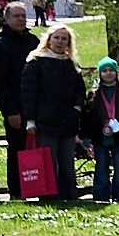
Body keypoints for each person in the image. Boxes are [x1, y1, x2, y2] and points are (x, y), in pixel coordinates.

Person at [15, 25, 84, 204]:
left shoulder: (71, 64)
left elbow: (80, 89)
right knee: (49, 161)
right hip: (45, 121)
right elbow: (28, 92)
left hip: (68, 120)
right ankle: (50, 198)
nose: (60, 42)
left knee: (67, 162)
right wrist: (30, 120)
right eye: (56, 38)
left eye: (64, 39)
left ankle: (70, 197)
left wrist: (77, 108)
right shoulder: (36, 61)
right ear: (49, 39)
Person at [0, 0, 37, 199]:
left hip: (36, 107)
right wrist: (10, 111)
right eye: (16, 16)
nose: (21, 19)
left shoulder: (33, 41)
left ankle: (39, 186)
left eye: (23, 16)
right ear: (6, 19)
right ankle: (17, 192)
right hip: (15, 108)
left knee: (37, 149)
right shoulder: (0, 45)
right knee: (17, 150)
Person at [83, 57, 119, 204]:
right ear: (100, 74)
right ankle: (101, 195)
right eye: (104, 71)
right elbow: (86, 118)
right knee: (101, 166)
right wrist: (85, 137)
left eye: (111, 70)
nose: (108, 73)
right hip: (99, 138)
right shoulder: (93, 95)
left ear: (116, 73)